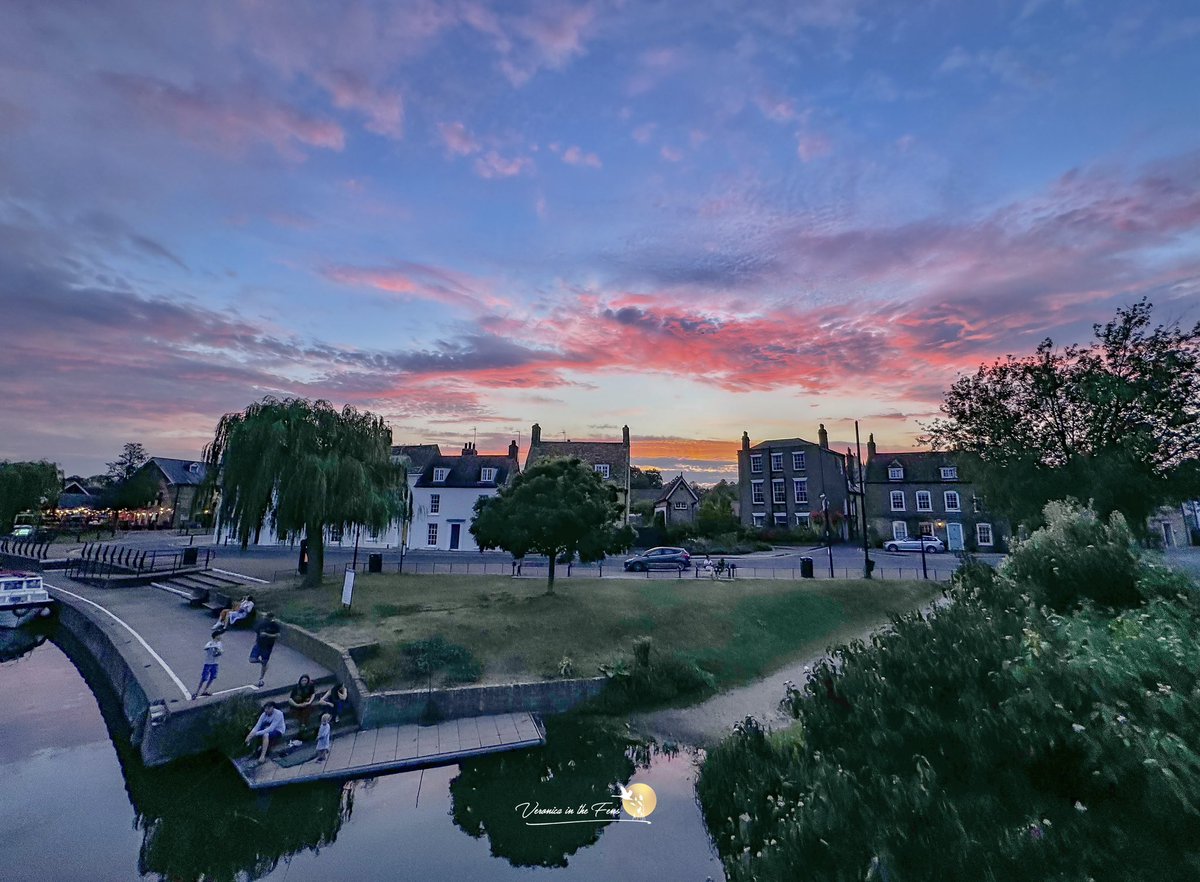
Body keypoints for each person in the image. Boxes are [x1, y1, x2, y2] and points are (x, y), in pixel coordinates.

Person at [192, 625, 224, 699]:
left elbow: (221, 651)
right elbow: (205, 647)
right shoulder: (210, 643)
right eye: (219, 635)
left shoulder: (220, 644)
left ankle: (205, 690)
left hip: (215, 663)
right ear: (216, 636)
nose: (221, 637)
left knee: (212, 677)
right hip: (208, 663)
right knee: (204, 678)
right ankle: (196, 692)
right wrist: (214, 647)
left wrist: (219, 651)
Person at [250, 612, 281, 687]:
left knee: (265, 661)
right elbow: (257, 632)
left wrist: (268, 635)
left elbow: (278, 635)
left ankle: (261, 678)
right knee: (252, 659)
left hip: (268, 646)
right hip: (259, 644)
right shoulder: (261, 623)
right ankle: (262, 662)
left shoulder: (275, 625)